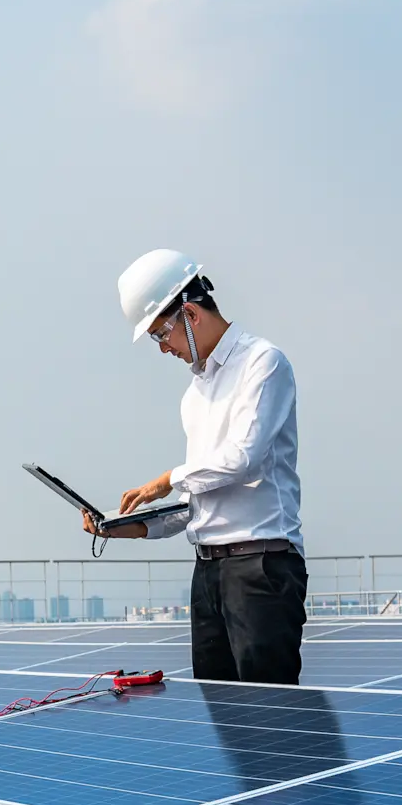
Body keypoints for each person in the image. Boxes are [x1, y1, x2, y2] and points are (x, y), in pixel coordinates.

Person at [84, 249, 307, 684]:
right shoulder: (194, 394)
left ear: (189, 313)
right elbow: (196, 498)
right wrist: (128, 527)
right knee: (223, 718)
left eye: (160, 334)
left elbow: (243, 458)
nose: (163, 347)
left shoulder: (263, 363)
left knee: (271, 720)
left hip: (260, 568)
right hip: (208, 574)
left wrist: (166, 479)